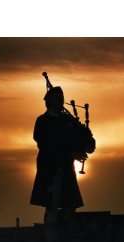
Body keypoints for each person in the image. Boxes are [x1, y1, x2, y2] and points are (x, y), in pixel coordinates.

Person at [30, 84, 94, 225]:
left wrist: (86, 141)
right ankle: (51, 238)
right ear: (49, 102)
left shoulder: (68, 121)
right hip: (50, 171)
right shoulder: (42, 122)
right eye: (58, 99)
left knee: (69, 208)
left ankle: (65, 236)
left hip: (66, 171)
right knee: (52, 207)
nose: (60, 101)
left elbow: (82, 142)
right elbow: (46, 145)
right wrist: (72, 153)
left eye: (61, 99)